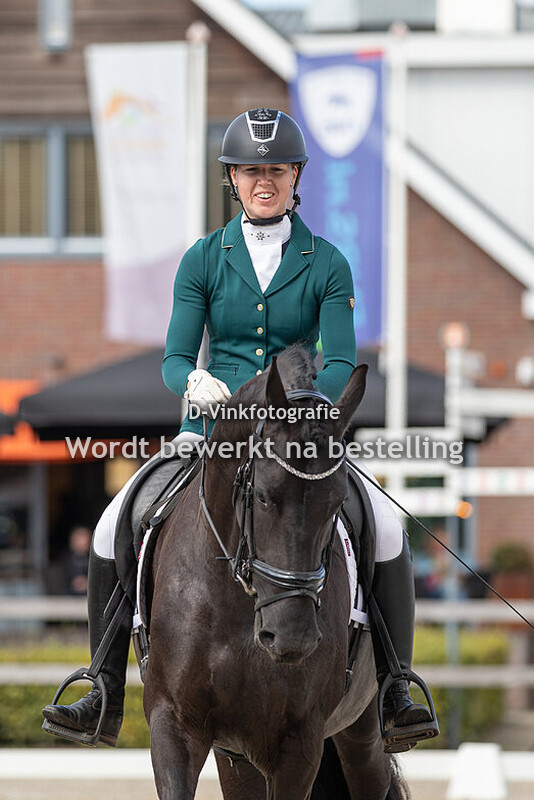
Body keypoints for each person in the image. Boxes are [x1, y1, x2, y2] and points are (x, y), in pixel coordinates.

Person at [43, 108, 436, 752]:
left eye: (275, 170)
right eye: (251, 171)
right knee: (118, 518)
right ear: (232, 177)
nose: (264, 182)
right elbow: (175, 356)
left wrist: (308, 412)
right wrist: (193, 382)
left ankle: (395, 686)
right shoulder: (202, 258)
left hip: (298, 434)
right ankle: (104, 688)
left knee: (385, 525)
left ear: (295, 175)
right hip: (213, 432)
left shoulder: (327, 262)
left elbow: (338, 358)